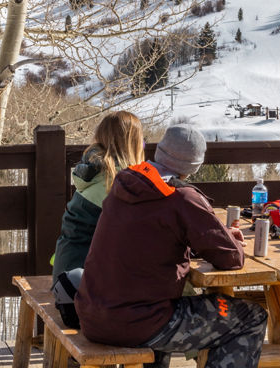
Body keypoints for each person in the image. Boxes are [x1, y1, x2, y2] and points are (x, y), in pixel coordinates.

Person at [75, 124, 268, 368]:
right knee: (250, 318)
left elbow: (155, 234)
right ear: (195, 166)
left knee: (164, 309)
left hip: (92, 314)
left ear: (160, 151)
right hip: (140, 321)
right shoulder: (182, 197)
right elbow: (231, 258)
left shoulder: (125, 181)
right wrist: (228, 239)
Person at [52, 111, 144, 281]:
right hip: (84, 289)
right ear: (134, 143)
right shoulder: (119, 182)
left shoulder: (97, 172)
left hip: (67, 277)